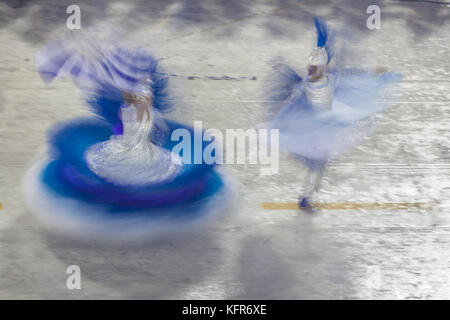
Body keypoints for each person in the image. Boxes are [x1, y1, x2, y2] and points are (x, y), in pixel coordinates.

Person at [24, 33, 233, 239]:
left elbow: (137, 128)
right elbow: (138, 126)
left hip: (137, 151)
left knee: (123, 155)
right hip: (135, 149)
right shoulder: (135, 110)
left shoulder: (135, 110)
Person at [266, 17, 401, 209]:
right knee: (318, 167)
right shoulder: (319, 86)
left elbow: (343, 75)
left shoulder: (311, 83)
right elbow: (341, 97)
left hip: (311, 135)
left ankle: (307, 197)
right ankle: (307, 198)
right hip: (313, 137)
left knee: (318, 167)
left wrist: (322, 39)